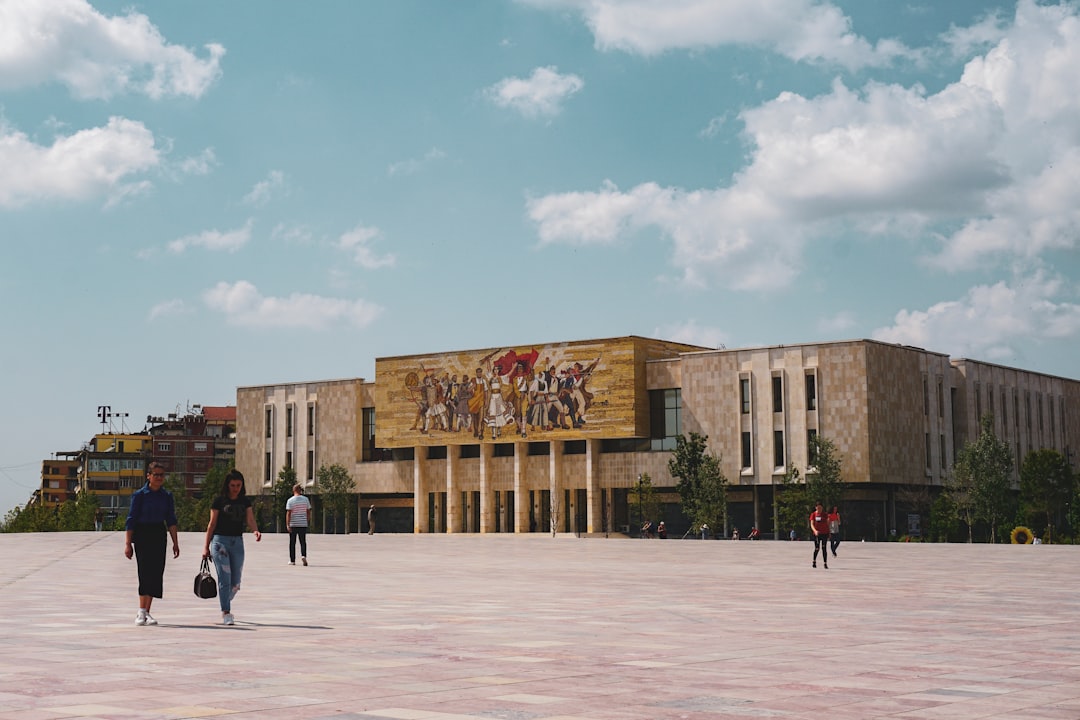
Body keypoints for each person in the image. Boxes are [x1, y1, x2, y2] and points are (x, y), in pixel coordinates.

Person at [203, 469, 262, 625]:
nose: (235, 488)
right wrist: (205, 547)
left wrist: (255, 530)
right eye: (232, 485)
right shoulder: (219, 501)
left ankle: (225, 598)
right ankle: (226, 612)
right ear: (227, 485)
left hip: (237, 542)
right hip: (219, 542)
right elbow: (212, 524)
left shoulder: (245, 501)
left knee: (235, 583)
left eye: (238, 485)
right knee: (224, 578)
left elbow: (250, 519)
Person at [124, 462, 179, 626]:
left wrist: (175, 542)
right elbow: (131, 520)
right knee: (145, 571)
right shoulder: (140, 495)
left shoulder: (166, 496)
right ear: (148, 476)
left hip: (158, 534)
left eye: (161, 475)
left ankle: (147, 611)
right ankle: (140, 611)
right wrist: (128, 543)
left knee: (156, 573)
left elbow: (171, 520)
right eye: (156, 475)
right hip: (142, 534)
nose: (159, 478)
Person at [285, 483, 311, 566]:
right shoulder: (306, 499)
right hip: (303, 523)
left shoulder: (290, 500)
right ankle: (303, 555)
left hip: (293, 523)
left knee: (292, 542)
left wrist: (288, 524)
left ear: (294, 490)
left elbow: (288, 513)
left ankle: (292, 560)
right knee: (303, 541)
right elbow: (308, 511)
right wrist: (307, 520)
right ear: (300, 490)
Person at [809, 502, 830, 569]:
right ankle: (814, 561)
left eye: (820, 507)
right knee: (817, 548)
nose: (819, 509)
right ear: (816, 507)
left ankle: (825, 563)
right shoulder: (813, 514)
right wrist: (815, 531)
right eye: (818, 507)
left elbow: (828, 523)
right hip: (817, 533)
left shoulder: (825, 514)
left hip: (824, 533)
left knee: (824, 548)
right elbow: (812, 524)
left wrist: (829, 532)